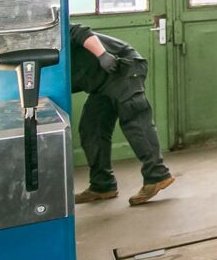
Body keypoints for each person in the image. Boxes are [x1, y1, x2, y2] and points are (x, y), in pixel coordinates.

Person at [70, 24, 174, 206]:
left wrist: (102, 55)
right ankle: (102, 186)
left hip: (121, 66)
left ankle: (156, 176)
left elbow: (80, 31)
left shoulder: (50, 32)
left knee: (135, 120)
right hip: (100, 82)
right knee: (91, 128)